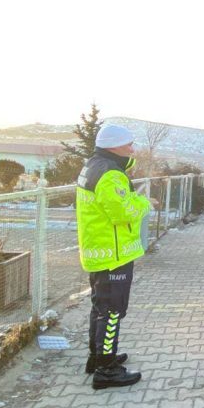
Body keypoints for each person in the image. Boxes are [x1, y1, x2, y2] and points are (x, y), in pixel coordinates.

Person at [76, 124, 151, 390]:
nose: (132, 149)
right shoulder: (111, 174)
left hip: (99, 251)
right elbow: (123, 212)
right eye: (129, 144)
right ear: (115, 146)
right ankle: (106, 370)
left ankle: (97, 357)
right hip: (114, 254)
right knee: (112, 312)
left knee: (100, 308)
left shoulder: (93, 166)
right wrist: (143, 203)